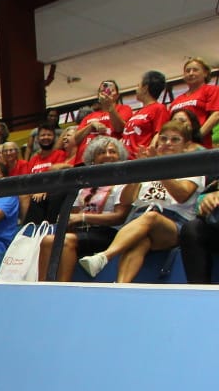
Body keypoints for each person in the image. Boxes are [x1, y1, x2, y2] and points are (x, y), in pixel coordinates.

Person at [79, 121, 201, 282]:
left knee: (151, 217)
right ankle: (120, 286)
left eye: (175, 139)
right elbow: (127, 200)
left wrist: (159, 168)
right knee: (140, 241)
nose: (167, 143)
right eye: (163, 139)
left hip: (174, 224)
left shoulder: (192, 165)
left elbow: (182, 195)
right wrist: (139, 171)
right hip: (139, 221)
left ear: (186, 145)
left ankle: (104, 256)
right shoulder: (148, 166)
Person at [36, 137, 131, 282]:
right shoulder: (85, 186)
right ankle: (43, 288)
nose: (107, 155)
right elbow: (74, 215)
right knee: (48, 241)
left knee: (66, 241)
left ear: (120, 157)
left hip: (109, 233)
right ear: (93, 159)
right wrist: (67, 219)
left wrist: (83, 217)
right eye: (101, 152)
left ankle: (63, 288)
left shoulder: (123, 184)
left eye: (112, 151)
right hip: (82, 232)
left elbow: (120, 216)